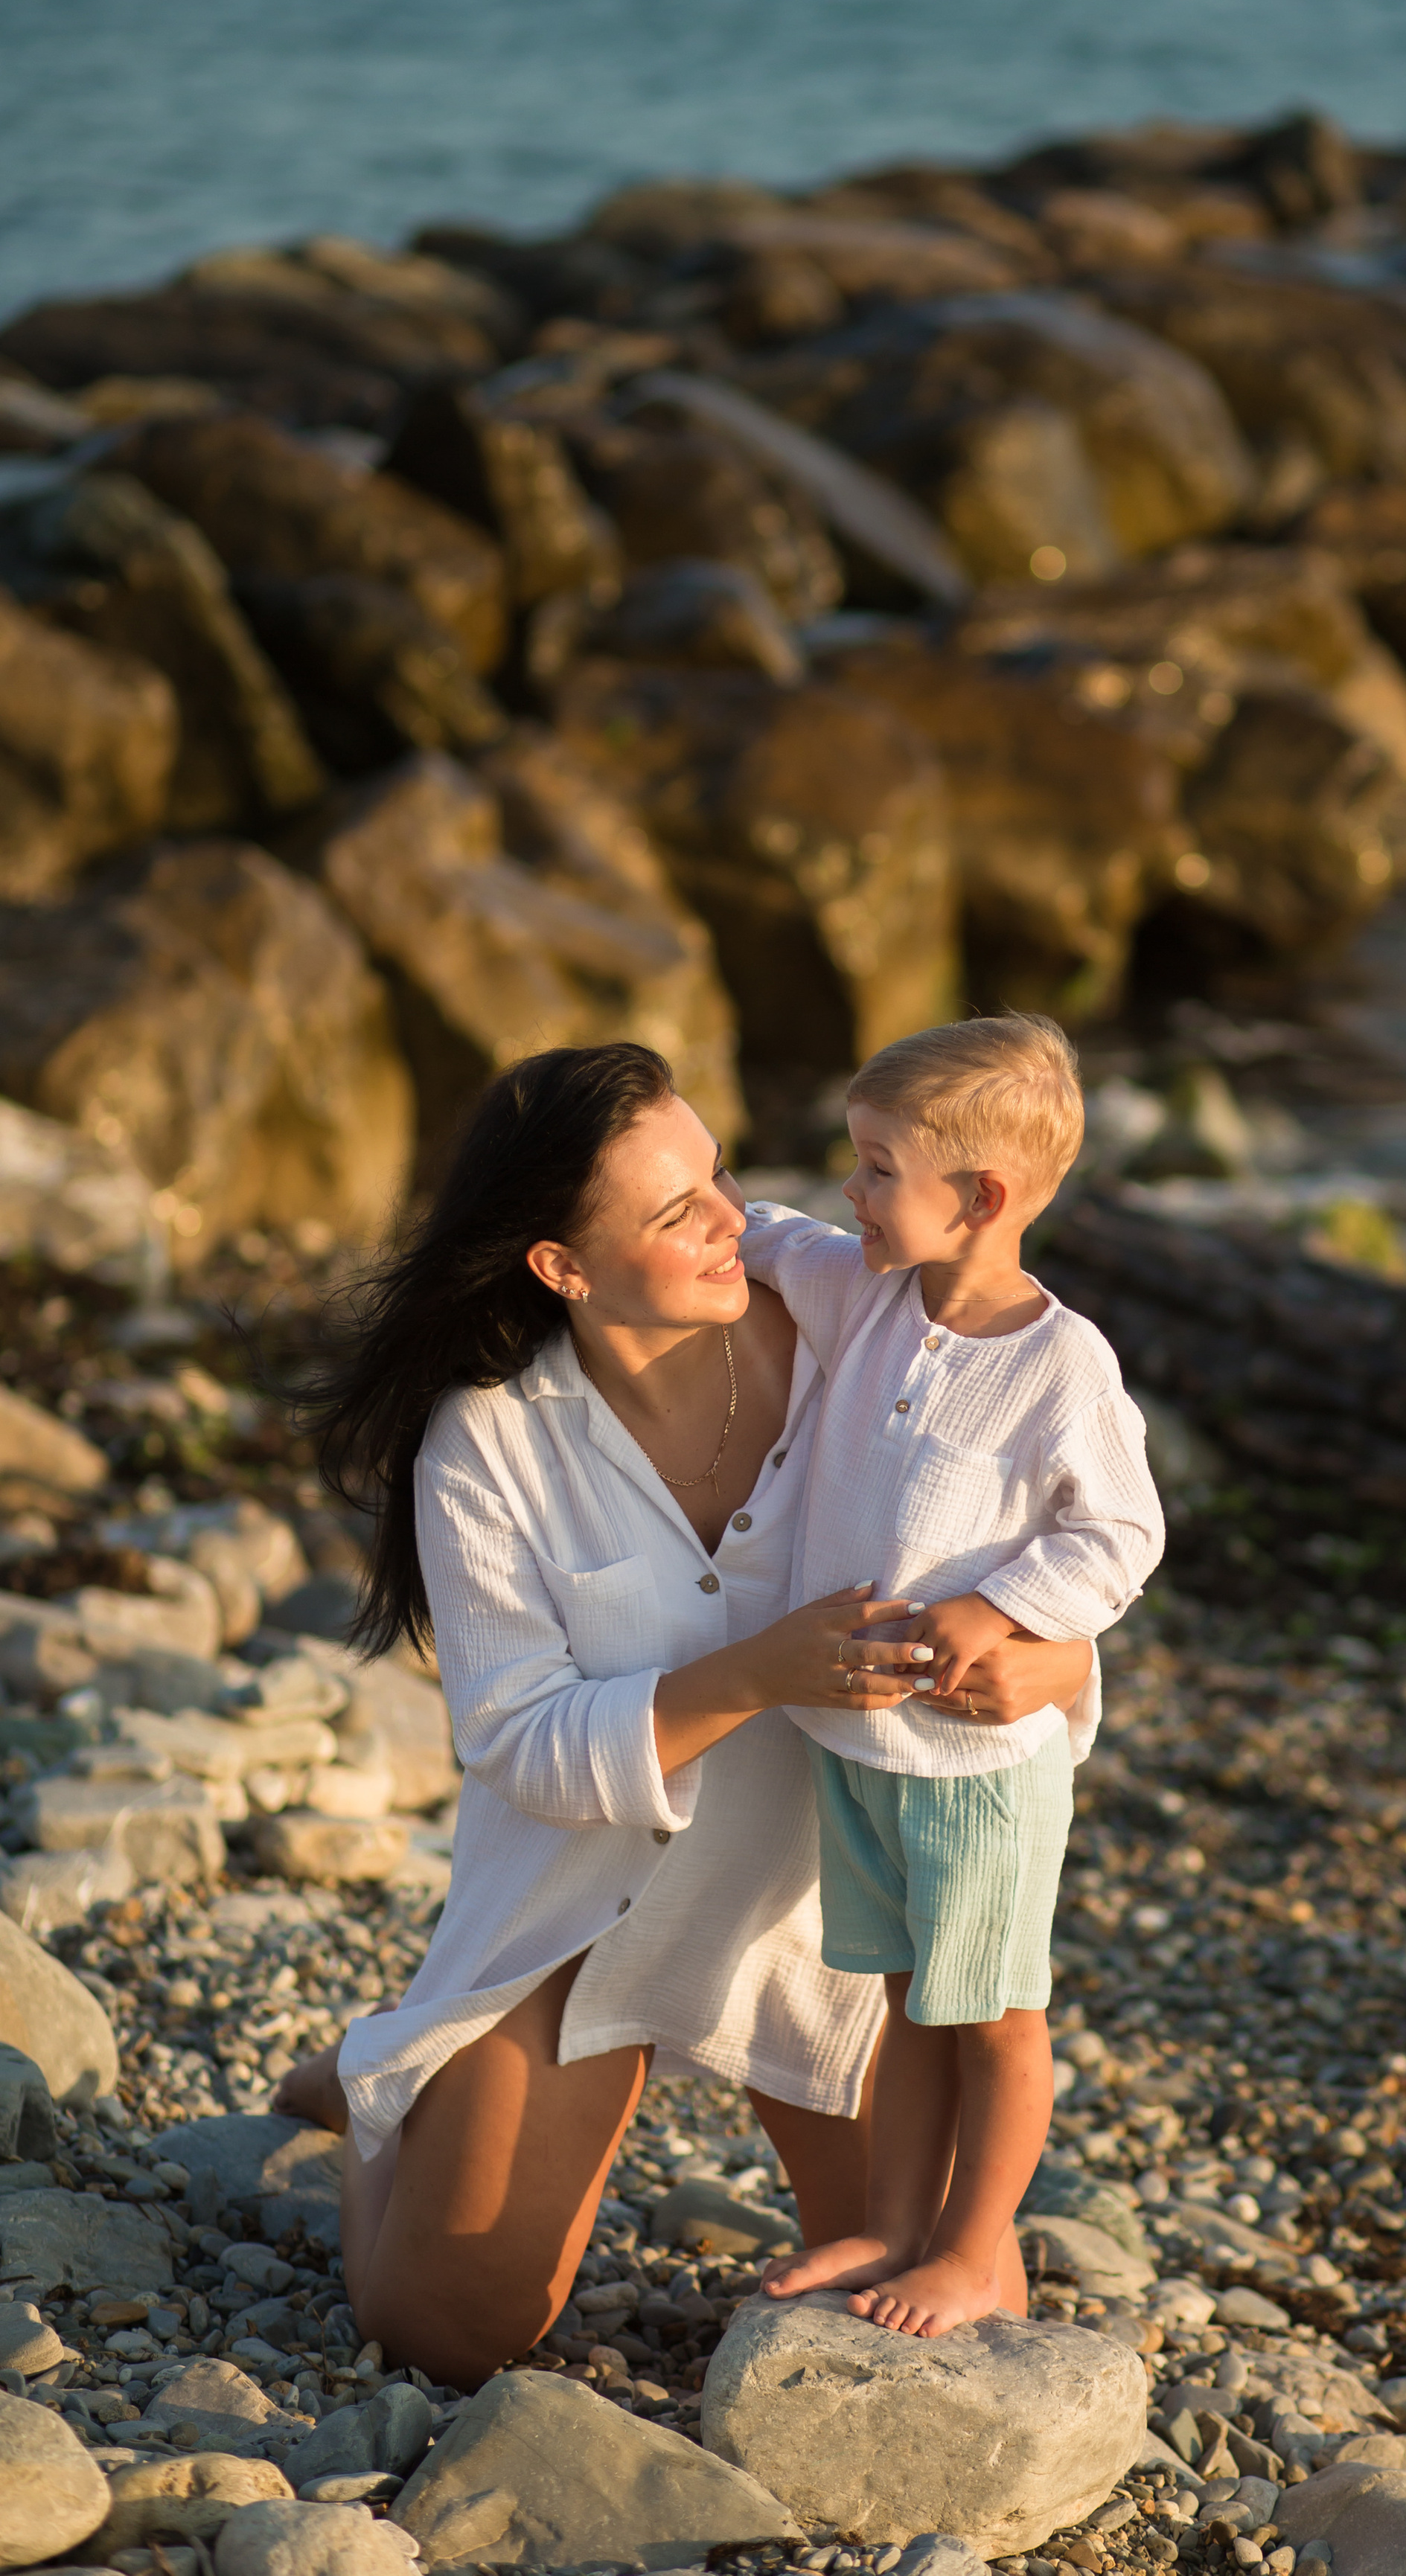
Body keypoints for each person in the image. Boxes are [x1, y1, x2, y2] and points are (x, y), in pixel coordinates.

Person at [274, 1040, 1093, 2390]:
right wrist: (758, 1671)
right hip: (587, 1911)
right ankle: (373, 2092)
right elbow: (518, 1743)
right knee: (442, 2333)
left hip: (839, 1913)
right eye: (678, 1211)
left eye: (717, 1172)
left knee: (959, 2301)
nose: (736, 1219)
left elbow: (1028, 1555)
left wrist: (1057, 1667)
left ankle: (415, 2089)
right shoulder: (488, 1438)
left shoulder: (862, 1325)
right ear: (563, 1268)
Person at [746, 1015, 1164, 2339]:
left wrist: (1001, 1606)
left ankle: (977, 2253)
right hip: (862, 1748)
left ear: (980, 1199)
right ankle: (895, 2220)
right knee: (904, 2002)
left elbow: (1122, 1535)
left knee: (996, 2018)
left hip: (979, 1769)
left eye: (876, 1169)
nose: (850, 1195)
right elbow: (757, 1231)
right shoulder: (869, 1288)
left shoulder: (1061, 1365)